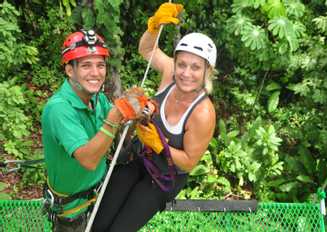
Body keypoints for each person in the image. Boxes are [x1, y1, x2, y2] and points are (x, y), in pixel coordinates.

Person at [92, 2, 217, 232]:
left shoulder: (203, 113)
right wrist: (153, 26)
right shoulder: (170, 74)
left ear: (207, 71)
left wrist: (161, 146)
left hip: (163, 178)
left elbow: (189, 161)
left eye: (195, 67)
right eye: (182, 65)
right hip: (137, 158)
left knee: (119, 229)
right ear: (175, 63)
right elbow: (147, 50)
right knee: (98, 221)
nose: (186, 73)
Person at [41, 29, 153, 232]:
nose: (95, 73)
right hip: (73, 212)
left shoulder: (97, 99)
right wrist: (115, 117)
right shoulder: (59, 109)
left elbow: (117, 143)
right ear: (69, 70)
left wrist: (133, 118)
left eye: (100, 65)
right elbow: (89, 159)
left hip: (100, 194)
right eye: (86, 65)